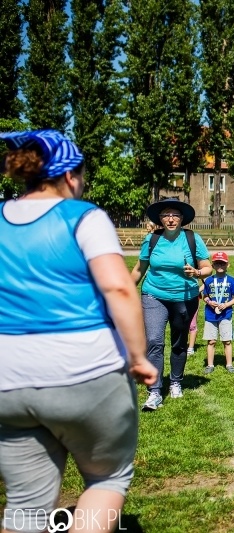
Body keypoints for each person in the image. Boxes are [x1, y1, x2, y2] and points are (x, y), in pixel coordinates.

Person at [0, 129, 158, 533]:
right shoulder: (84, 216)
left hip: (7, 379)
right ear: (70, 176)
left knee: (26, 504)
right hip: (83, 370)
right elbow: (119, 286)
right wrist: (138, 357)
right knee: (107, 478)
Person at [131, 198, 213, 411]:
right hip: (153, 295)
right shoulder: (152, 239)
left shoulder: (192, 238)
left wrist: (197, 272)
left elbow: (207, 267)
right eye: (166, 215)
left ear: (182, 218)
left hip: (184, 297)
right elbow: (139, 269)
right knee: (154, 341)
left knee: (179, 342)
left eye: (175, 215)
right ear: (160, 219)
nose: (170, 219)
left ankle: (175, 381)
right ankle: (154, 392)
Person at [202, 252, 234, 374]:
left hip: (226, 315)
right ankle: (210, 365)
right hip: (210, 315)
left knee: (227, 340)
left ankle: (229, 364)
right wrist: (209, 302)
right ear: (213, 265)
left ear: (227, 265)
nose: (220, 265)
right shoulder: (208, 281)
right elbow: (205, 296)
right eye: (217, 263)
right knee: (211, 340)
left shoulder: (231, 280)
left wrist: (226, 305)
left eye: (223, 263)